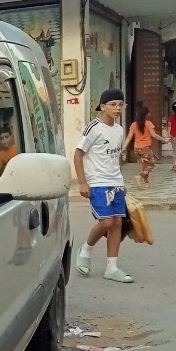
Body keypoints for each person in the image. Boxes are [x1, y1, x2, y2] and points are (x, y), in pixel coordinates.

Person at [74, 88, 132, 283]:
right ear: (103, 106)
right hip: (98, 183)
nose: (117, 108)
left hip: (116, 182)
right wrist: (82, 182)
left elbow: (115, 159)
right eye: (113, 104)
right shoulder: (94, 128)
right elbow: (78, 154)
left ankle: (112, 267)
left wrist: (122, 183)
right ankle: (86, 250)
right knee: (106, 222)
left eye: (120, 104)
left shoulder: (119, 129)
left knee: (117, 223)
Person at [123, 103, 168, 188]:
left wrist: (124, 147)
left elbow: (129, 137)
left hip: (136, 149)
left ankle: (146, 182)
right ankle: (139, 176)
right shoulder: (148, 124)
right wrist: (164, 139)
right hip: (145, 148)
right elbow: (154, 135)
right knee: (151, 164)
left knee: (144, 165)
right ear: (147, 114)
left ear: (137, 114)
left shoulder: (133, 124)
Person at [169, 100, 176, 172]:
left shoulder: (171, 117)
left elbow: (169, 127)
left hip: (174, 136)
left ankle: (175, 165)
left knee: (175, 151)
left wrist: (169, 134)